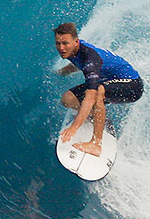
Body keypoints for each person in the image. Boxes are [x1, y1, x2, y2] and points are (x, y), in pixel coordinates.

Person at [53, 22, 143, 156]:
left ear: (76, 42)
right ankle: (100, 119)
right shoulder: (72, 50)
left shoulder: (90, 58)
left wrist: (74, 127)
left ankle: (96, 144)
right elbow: (80, 63)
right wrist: (64, 71)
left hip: (132, 86)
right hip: (108, 80)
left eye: (65, 43)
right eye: (58, 43)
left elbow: (90, 97)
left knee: (98, 92)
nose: (61, 48)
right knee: (68, 99)